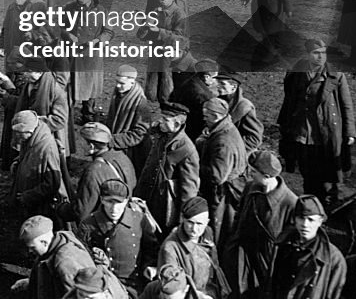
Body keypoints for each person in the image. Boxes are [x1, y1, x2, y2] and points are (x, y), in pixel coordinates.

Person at [277, 39, 355, 206]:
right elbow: (289, 101)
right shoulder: (296, 74)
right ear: (307, 55)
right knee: (307, 171)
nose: (321, 57)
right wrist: (286, 126)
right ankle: (311, 202)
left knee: (330, 171)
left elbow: (346, 105)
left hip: (327, 132)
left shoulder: (336, 75)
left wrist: (349, 132)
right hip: (303, 133)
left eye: (323, 53)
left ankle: (330, 203)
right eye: (316, 53)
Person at [222, 150, 299, 299]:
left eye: (254, 172)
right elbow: (239, 214)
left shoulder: (291, 203)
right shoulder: (251, 187)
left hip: (266, 262)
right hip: (242, 254)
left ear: (267, 176)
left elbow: (292, 240)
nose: (250, 174)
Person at [77, 179, 158, 293]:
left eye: (119, 203)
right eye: (109, 202)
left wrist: (149, 267)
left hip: (135, 285)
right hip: (105, 286)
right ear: (101, 200)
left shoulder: (139, 220)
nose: (114, 209)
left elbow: (151, 249)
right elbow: (82, 258)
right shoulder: (89, 224)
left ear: (126, 201)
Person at [136, 103, 200, 233]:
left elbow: (188, 189)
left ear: (177, 124)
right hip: (146, 195)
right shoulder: (162, 134)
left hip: (163, 206)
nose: (160, 121)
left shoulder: (187, 150)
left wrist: (182, 221)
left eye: (165, 120)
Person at [56, 123, 136, 227]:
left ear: (91, 146)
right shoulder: (122, 157)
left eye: (82, 142)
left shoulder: (93, 171)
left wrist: (61, 208)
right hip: (123, 218)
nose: (80, 145)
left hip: (103, 226)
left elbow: (82, 210)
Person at [268, 195, 346, 299]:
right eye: (301, 218)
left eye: (311, 220)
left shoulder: (333, 258)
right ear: (294, 220)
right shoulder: (283, 245)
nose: (305, 224)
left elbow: (333, 294)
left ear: (320, 221)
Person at [195, 97, 248, 247]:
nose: (204, 119)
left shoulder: (223, 141)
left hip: (225, 193)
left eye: (206, 116)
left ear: (217, 116)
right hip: (230, 187)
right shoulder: (225, 128)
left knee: (220, 230)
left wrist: (194, 165)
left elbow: (217, 176)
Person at [158, 196, 229, 299]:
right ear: (183, 219)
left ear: (207, 222)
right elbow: (172, 287)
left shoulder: (207, 233)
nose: (194, 229)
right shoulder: (170, 247)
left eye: (199, 224)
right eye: (190, 222)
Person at [9, 214, 97, 299]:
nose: (30, 251)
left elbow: (79, 294)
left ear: (44, 242)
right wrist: (30, 282)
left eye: (32, 247)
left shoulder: (65, 262)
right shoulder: (52, 248)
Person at [9, 111, 68, 219]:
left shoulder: (47, 148)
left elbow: (52, 184)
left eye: (19, 132)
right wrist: (18, 162)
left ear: (30, 130)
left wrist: (29, 196)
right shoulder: (31, 139)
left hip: (39, 207)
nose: (17, 136)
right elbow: (27, 156)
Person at [136, 0, 189, 103]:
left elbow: (181, 39)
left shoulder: (179, 14)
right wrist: (145, 27)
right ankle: (150, 105)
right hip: (155, 51)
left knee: (167, 81)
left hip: (171, 53)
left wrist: (159, 31)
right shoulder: (155, 11)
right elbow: (142, 36)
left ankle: (167, 105)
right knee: (151, 82)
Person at [104, 64, 152, 173]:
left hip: (134, 153)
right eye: (116, 82)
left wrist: (112, 140)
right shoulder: (118, 93)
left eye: (121, 83)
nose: (117, 86)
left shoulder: (141, 103)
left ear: (132, 82)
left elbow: (141, 133)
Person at [214, 72, 263, 155]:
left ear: (233, 87)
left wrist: (230, 149)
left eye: (222, 84)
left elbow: (254, 139)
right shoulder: (216, 102)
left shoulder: (244, 107)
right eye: (217, 83)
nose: (218, 86)